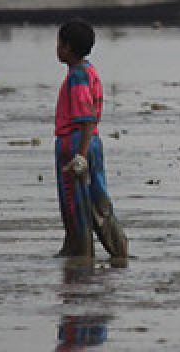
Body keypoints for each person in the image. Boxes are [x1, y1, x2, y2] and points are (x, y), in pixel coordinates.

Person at [54, 20, 127, 260]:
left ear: (66, 47)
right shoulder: (89, 71)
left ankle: (82, 253)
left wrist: (80, 156)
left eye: (59, 43)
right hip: (91, 141)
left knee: (76, 205)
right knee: (98, 200)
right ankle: (118, 250)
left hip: (77, 143)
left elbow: (86, 117)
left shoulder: (78, 77)